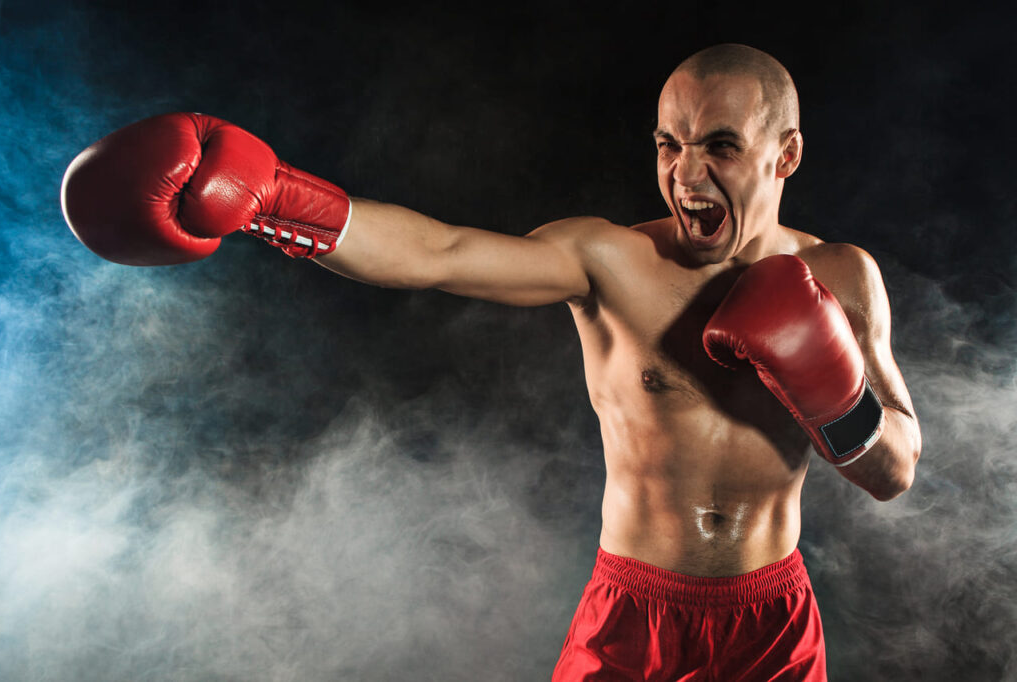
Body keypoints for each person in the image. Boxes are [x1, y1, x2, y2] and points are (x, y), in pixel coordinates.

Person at [61, 43, 921, 681]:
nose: (685, 175)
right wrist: (277, 200)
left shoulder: (842, 276)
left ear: (786, 154)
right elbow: (440, 252)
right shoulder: (610, 259)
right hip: (634, 615)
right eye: (668, 144)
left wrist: (833, 391)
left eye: (719, 147)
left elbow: (895, 471)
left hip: (768, 622)